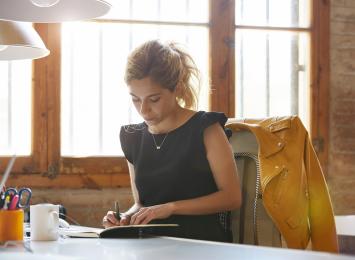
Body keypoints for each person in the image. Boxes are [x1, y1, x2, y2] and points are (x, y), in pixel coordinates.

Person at [102, 40, 241, 242]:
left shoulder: (206, 129)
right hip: (149, 245)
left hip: (202, 245)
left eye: (154, 99)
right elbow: (141, 203)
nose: (143, 110)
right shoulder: (131, 137)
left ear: (176, 88)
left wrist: (171, 208)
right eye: (135, 99)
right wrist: (124, 218)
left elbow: (232, 197)